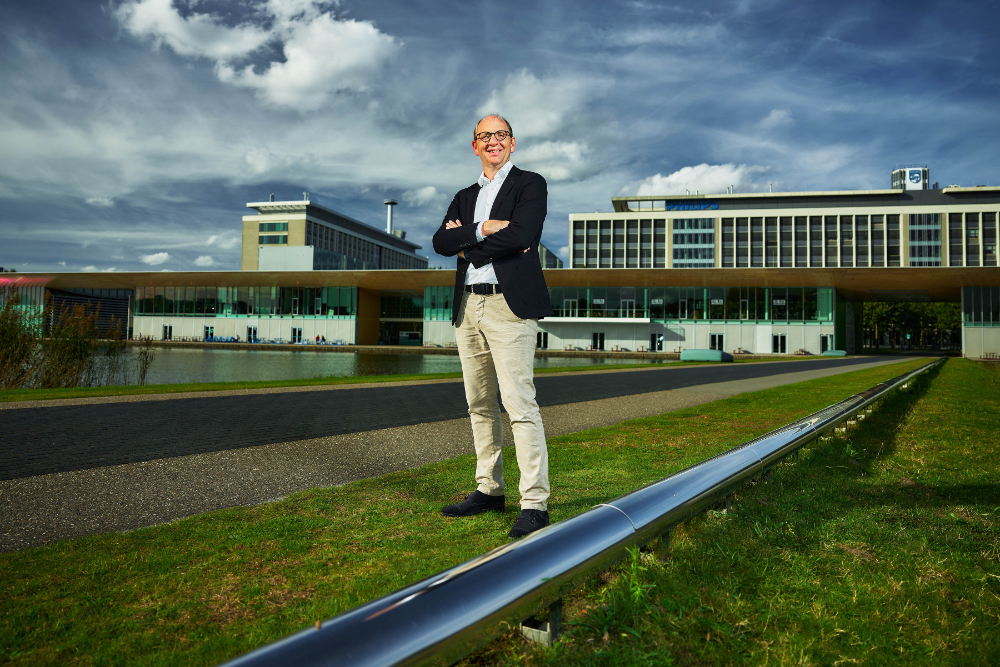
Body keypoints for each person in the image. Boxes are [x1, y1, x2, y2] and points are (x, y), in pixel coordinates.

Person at [432, 113, 554, 538]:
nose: (493, 141)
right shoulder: (465, 196)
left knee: (520, 406)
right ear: (474, 146)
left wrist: (470, 247)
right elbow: (440, 242)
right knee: (480, 404)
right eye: (484, 136)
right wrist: (482, 228)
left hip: (508, 306)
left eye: (500, 135)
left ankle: (535, 502)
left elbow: (524, 234)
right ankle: (489, 490)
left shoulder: (529, 184)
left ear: (513, 142)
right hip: (468, 307)